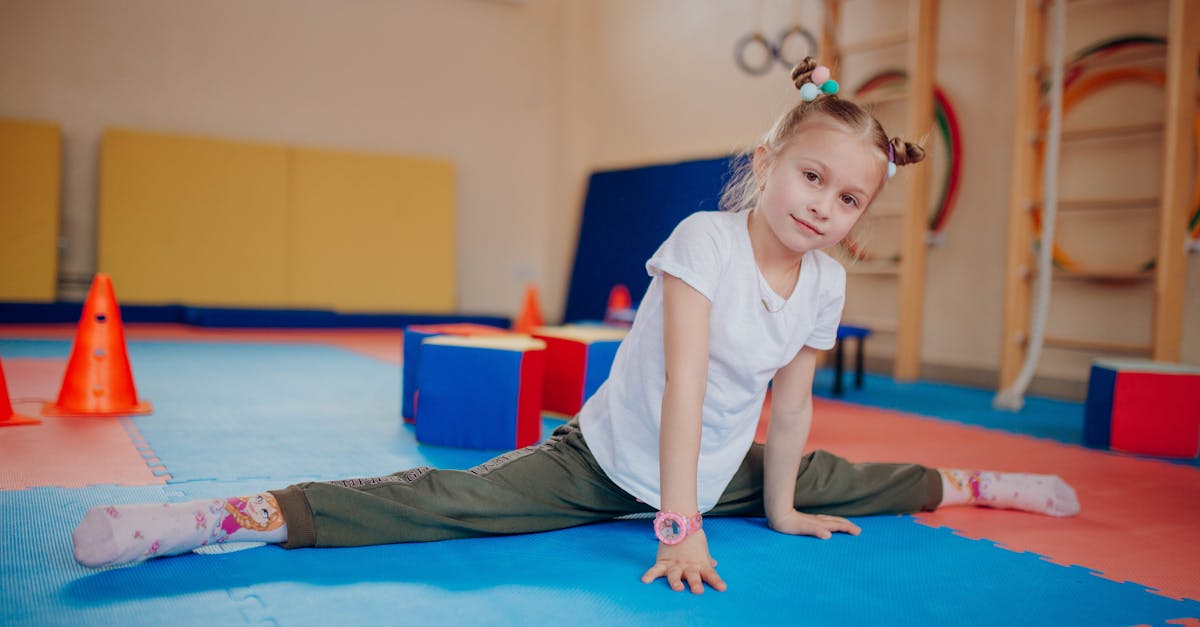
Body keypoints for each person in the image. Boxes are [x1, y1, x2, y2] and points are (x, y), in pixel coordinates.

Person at [72, 59, 1080, 593]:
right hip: (609, 457)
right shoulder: (703, 242)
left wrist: (774, 511)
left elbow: (795, 407)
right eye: (813, 176)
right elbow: (683, 389)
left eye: (850, 198)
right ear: (771, 163)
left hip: (723, 461)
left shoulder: (821, 286)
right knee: (447, 500)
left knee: (837, 479)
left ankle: (980, 484)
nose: (823, 205)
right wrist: (677, 530)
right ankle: (218, 521)